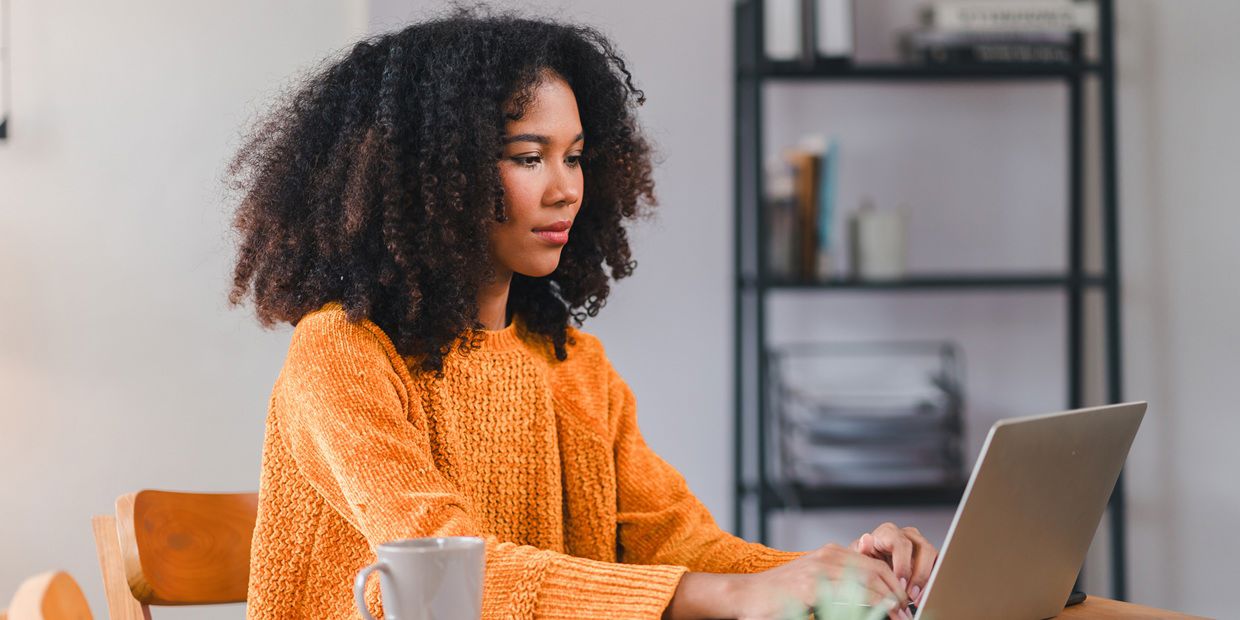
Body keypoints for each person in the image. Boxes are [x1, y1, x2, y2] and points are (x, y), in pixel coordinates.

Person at [228, 7, 936, 619]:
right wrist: (727, 597)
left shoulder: (572, 365)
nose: (567, 189)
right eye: (529, 157)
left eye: (576, 156)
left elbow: (682, 546)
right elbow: (452, 577)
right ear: (427, 176)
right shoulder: (342, 352)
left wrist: (838, 573)